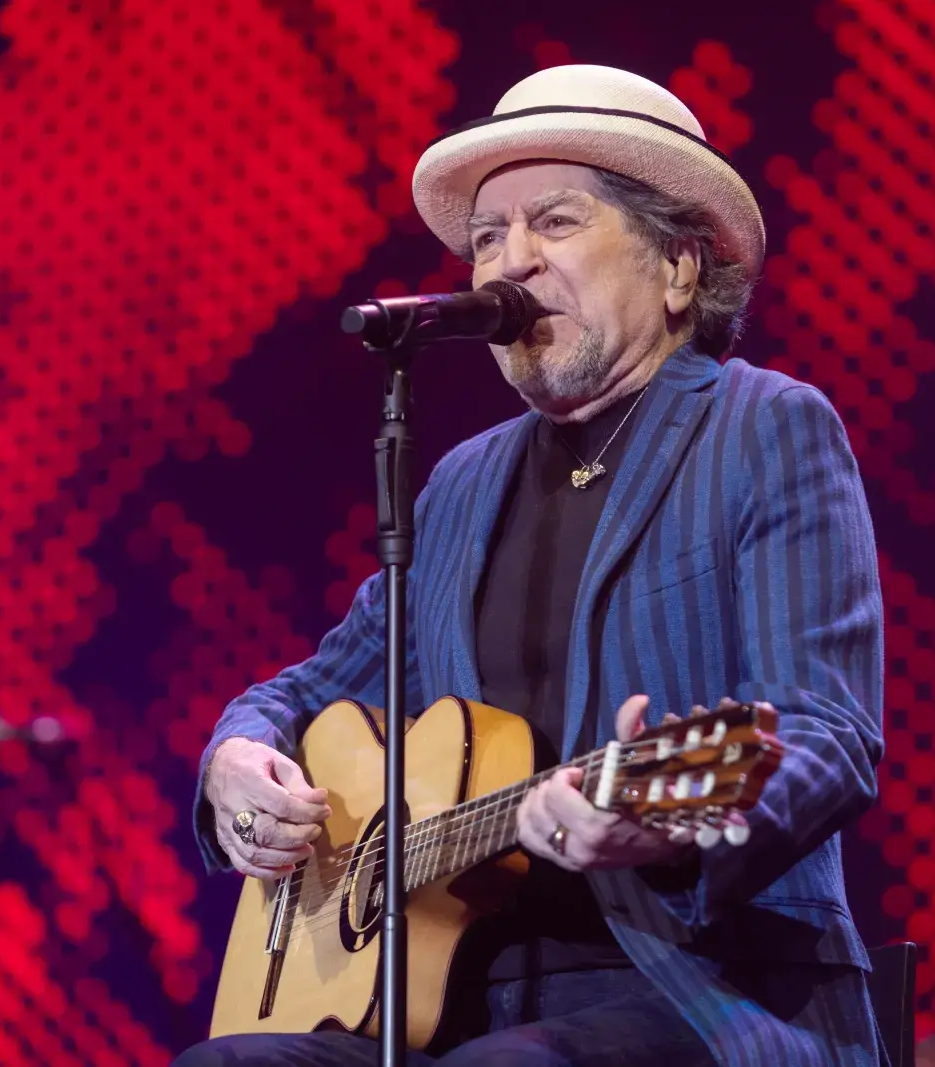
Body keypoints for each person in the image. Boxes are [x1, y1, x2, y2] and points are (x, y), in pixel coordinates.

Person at [177, 65, 887, 1067]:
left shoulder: (761, 428)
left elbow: (827, 733)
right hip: (456, 1003)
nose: (510, 263)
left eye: (554, 221)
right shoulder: (462, 485)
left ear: (678, 267)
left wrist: (665, 828)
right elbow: (308, 691)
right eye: (486, 237)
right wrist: (237, 756)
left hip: (708, 987)